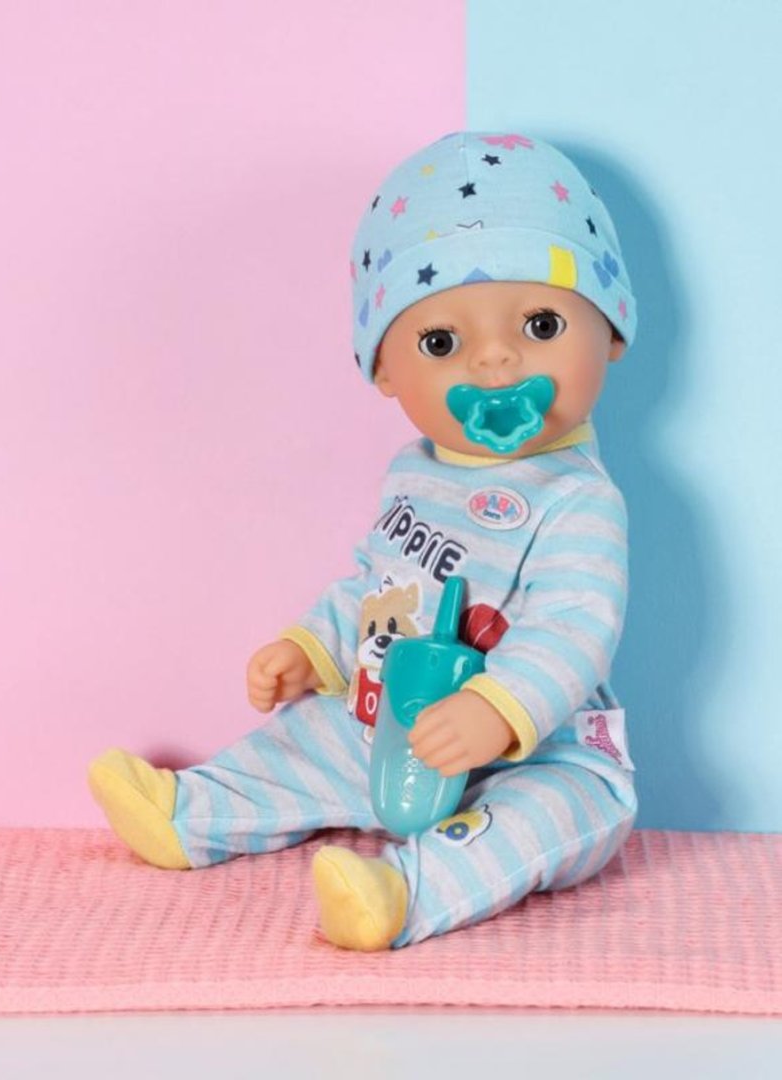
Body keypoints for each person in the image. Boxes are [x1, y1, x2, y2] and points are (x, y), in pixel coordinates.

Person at [89, 131, 639, 951]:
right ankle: (196, 810)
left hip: (535, 749)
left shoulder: (578, 499)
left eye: (541, 322)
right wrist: (313, 646)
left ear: (612, 332)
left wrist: (495, 712)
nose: (496, 357)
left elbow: (575, 627)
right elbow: (381, 590)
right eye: (442, 342)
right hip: (393, 726)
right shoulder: (415, 475)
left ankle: (405, 891)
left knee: (563, 814)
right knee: (308, 736)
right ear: (384, 369)